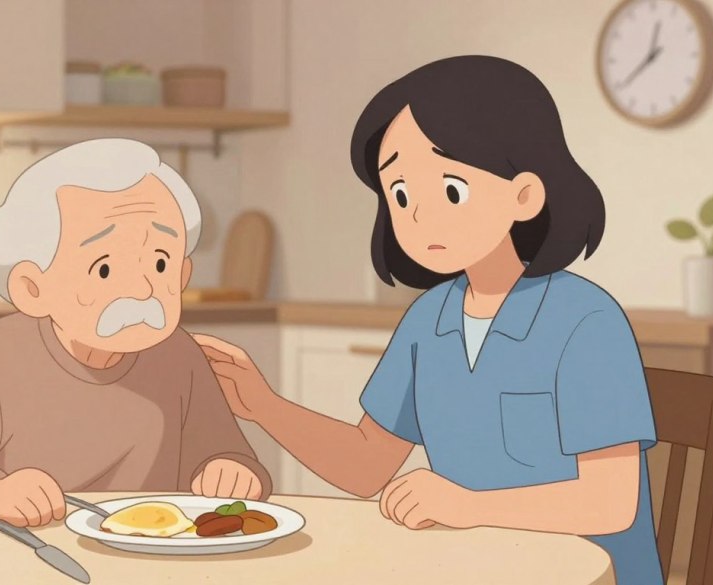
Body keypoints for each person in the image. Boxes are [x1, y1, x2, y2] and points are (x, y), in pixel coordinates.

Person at [194, 56, 662, 584]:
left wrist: (467, 505)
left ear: (525, 194)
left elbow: (609, 503)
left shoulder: (587, 322)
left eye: (451, 189)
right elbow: (366, 465)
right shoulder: (428, 320)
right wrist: (264, 406)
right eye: (400, 193)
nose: (417, 215)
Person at [0, 138, 270, 527]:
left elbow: (230, 455)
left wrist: (233, 470)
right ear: (32, 289)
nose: (143, 289)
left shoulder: (178, 355)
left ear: (183, 274)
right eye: (104, 269)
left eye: (159, 263)